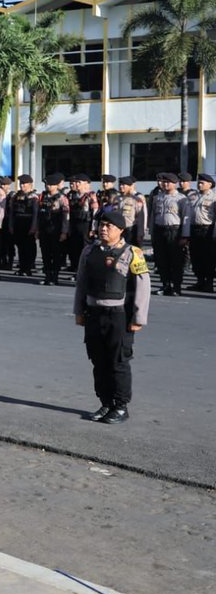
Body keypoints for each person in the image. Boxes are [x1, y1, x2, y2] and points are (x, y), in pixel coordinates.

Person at [73, 209, 150, 424]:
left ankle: (121, 406)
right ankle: (105, 402)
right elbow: (81, 284)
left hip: (118, 316)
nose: (103, 229)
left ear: (121, 230)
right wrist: (79, 312)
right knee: (98, 361)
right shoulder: (89, 252)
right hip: (93, 314)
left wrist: (138, 318)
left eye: (109, 226)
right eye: (101, 225)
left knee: (118, 363)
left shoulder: (132, 252)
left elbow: (143, 287)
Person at [151, 173, 192, 296]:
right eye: (164, 182)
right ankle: (165, 285)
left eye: (168, 182)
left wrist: (185, 236)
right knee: (162, 260)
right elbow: (153, 215)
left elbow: (186, 217)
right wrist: (152, 232)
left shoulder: (181, 199)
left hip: (174, 231)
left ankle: (177, 287)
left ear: (175, 184)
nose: (165, 184)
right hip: (159, 230)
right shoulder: (157, 197)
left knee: (176, 261)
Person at [37, 173, 70, 286]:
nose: (48, 187)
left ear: (56, 186)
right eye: (47, 185)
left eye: (51, 185)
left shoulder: (62, 198)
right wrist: (37, 229)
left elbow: (66, 217)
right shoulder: (43, 196)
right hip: (44, 230)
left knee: (55, 254)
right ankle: (47, 276)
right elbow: (38, 215)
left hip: (55, 230)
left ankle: (54, 277)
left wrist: (64, 232)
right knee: (45, 254)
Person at [187, 174, 216, 292]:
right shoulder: (192, 196)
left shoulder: (214, 198)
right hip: (194, 229)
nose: (199, 184)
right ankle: (200, 281)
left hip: (207, 230)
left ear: (210, 185)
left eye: (202, 183)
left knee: (209, 258)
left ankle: (209, 283)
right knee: (195, 257)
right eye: (199, 182)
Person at [8, 175, 40, 276]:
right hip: (18, 224)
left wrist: (34, 227)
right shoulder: (16, 196)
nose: (22, 186)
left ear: (30, 185)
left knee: (29, 247)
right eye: (21, 183)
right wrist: (11, 225)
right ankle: (22, 267)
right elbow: (12, 212)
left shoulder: (34, 197)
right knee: (20, 247)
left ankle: (29, 267)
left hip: (28, 224)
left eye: (24, 184)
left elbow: (36, 214)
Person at [116, 176, 147, 248]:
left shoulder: (136, 199)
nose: (121, 186)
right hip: (118, 230)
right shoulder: (116, 199)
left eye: (123, 185)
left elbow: (141, 217)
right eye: (120, 184)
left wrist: (140, 232)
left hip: (131, 230)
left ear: (130, 186)